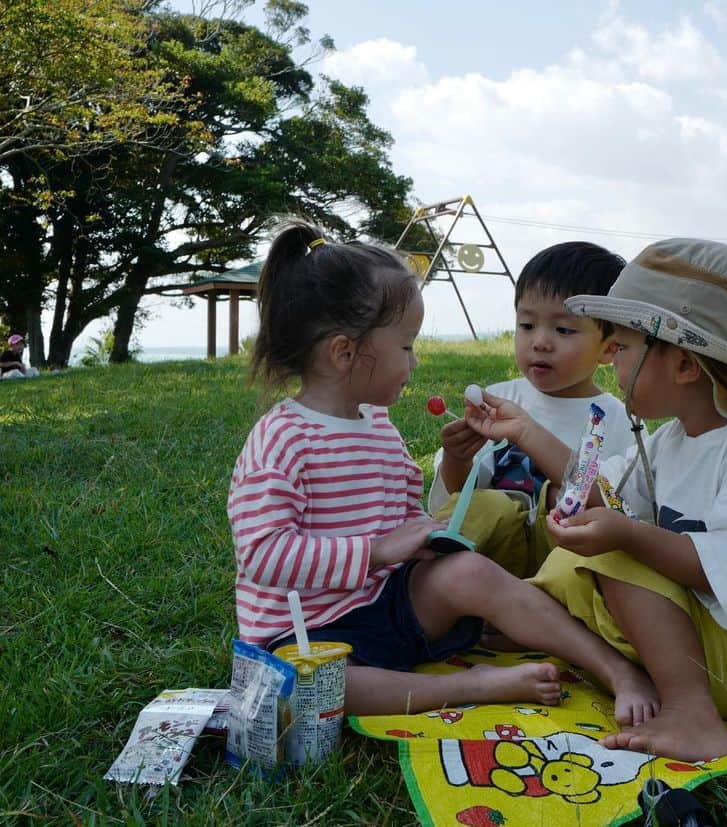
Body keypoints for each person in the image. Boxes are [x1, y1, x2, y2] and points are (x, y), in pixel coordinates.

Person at [227, 220, 657, 725]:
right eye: (406, 346)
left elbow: (404, 514)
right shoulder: (283, 437)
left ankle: (613, 669)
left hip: (386, 604)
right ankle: (466, 685)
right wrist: (378, 552)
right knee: (302, 683)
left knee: (468, 572)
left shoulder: (378, 425)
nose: (414, 361)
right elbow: (263, 554)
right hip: (306, 635)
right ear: (345, 353)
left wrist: (426, 541)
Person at [463, 239, 727, 762]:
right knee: (575, 558)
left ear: (685, 365)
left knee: (620, 553)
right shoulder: (673, 439)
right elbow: (601, 493)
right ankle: (563, 642)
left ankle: (694, 714)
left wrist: (625, 534)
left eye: (620, 347)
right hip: (709, 638)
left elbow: (721, 570)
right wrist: (526, 432)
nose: (612, 360)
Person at [429, 242, 639, 578]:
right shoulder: (497, 401)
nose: (540, 341)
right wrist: (457, 458)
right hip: (490, 561)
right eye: (527, 325)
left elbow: (624, 508)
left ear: (609, 349)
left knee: (563, 501)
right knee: (487, 504)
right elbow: (457, 499)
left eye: (563, 329)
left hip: (563, 563)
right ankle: (427, 586)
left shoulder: (617, 421)